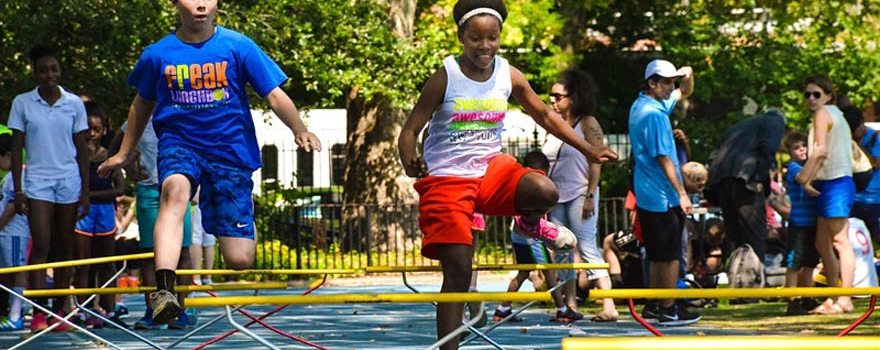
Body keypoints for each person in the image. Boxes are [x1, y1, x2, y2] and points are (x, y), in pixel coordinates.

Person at [397, 1, 616, 346]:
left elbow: (544, 115)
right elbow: (409, 130)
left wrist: (589, 150)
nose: (484, 47)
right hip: (447, 179)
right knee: (458, 273)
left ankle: (530, 223)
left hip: (490, 171)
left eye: (492, 39)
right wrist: (409, 158)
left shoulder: (507, 74)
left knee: (544, 190)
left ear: (499, 38)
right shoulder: (446, 77)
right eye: (475, 39)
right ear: (461, 37)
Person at [99, 0, 322, 324]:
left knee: (239, 258)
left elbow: (273, 94)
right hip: (180, 145)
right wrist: (123, 153)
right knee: (174, 193)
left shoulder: (238, 46)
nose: (201, 4)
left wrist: (299, 128)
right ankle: (164, 291)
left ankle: (231, 217)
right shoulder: (158, 54)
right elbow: (141, 104)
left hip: (229, 152)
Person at [8, 44, 89, 332]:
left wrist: (86, 192)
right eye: (43, 69)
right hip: (38, 181)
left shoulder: (73, 103)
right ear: (35, 72)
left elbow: (82, 150)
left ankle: (59, 311)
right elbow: (17, 149)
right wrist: (18, 190)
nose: (49, 74)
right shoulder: (22, 103)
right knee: (41, 243)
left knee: (64, 246)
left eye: (53, 68)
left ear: (59, 70)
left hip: (69, 180)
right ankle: (38, 311)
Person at [629, 58, 700, 326]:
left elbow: (685, 92)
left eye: (673, 81)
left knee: (658, 255)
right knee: (669, 257)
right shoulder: (655, 115)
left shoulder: (642, 105)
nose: (672, 86)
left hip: (648, 193)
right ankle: (668, 309)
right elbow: (664, 158)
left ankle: (654, 306)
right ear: (653, 83)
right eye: (667, 82)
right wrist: (682, 193)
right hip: (662, 196)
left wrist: (687, 76)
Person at [543, 68, 617, 322]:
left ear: (572, 98)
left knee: (587, 247)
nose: (552, 100)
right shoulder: (554, 125)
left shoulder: (587, 122)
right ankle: (570, 305)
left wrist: (590, 194)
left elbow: (596, 160)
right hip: (556, 197)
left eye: (558, 96)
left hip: (579, 193)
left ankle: (609, 305)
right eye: (551, 95)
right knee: (561, 250)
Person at [794, 75, 855, 314]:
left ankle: (845, 298)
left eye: (816, 94)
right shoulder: (835, 115)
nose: (811, 98)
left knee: (841, 241)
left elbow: (820, 150)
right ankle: (833, 296)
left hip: (836, 183)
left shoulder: (823, 113)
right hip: (829, 183)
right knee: (822, 242)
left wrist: (803, 177)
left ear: (829, 95)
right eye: (807, 94)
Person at [493, 151, 570, 323]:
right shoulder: (532, 187)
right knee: (548, 270)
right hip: (530, 236)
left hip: (521, 234)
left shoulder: (520, 184)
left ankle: (503, 308)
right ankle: (562, 309)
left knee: (524, 271)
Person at [704, 109, 786, 263]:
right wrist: (759, 180)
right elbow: (768, 150)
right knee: (754, 235)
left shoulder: (740, 126)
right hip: (745, 178)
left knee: (734, 235)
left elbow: (715, 154)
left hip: (722, 180)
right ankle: (755, 281)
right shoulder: (775, 121)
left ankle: (735, 277)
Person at [73, 101, 127, 328]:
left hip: (104, 212)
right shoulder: (74, 157)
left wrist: (92, 193)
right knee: (83, 263)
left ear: (104, 130)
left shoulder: (108, 157)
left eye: (96, 129)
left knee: (107, 263)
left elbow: (121, 188)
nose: (91, 134)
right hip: (81, 213)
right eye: (87, 129)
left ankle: (109, 310)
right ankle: (84, 309)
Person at [780, 132, 821, 315]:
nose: (802, 150)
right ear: (789, 152)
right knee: (794, 262)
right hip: (799, 223)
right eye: (796, 148)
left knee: (810, 262)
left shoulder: (808, 166)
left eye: (804, 145)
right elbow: (801, 179)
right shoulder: (794, 167)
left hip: (813, 222)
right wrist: (815, 157)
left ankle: (807, 296)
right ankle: (792, 300)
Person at [0, 134, 29, 331]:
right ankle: (10, 309)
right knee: (7, 272)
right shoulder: (9, 177)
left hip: (15, 232)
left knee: (17, 270)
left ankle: (16, 314)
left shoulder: (18, 176)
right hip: (5, 233)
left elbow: (12, 207)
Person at [842, 105, 880, 245]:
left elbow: (876, 163)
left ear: (861, 124)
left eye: (854, 131)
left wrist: (858, 146)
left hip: (875, 200)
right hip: (855, 199)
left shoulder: (876, 138)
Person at [189, 187, 217, 286]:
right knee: (209, 236)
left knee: (195, 235)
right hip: (212, 193)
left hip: (199, 190)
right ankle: (208, 277)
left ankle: (196, 278)